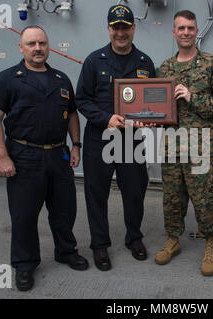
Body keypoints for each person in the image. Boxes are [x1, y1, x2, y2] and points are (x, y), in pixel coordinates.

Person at [0, 25, 88, 292]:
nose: (37, 48)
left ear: (48, 46)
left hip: (58, 154)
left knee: (65, 210)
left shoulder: (61, 78)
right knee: (24, 215)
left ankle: (65, 251)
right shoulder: (8, 79)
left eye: (42, 43)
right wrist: (2, 156)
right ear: (21, 48)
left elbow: (73, 114)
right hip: (23, 155)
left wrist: (75, 145)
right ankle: (24, 264)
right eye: (31, 44)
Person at [75, 5, 156, 271]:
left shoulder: (145, 63)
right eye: (116, 27)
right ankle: (99, 246)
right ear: (109, 29)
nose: (121, 32)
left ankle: (134, 238)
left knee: (134, 192)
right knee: (96, 194)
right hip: (100, 138)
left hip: (131, 140)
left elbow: (152, 103)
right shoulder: (93, 61)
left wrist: (149, 117)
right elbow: (82, 100)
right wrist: (104, 118)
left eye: (125, 27)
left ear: (133, 28)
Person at [155, 10, 213, 276]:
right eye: (181, 28)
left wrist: (192, 97)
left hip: (200, 146)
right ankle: (173, 240)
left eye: (190, 28)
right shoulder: (164, 68)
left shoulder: (211, 64)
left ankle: (210, 243)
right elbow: (156, 107)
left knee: (205, 199)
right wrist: (147, 118)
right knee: (172, 199)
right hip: (172, 146)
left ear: (196, 31)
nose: (186, 32)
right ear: (174, 32)